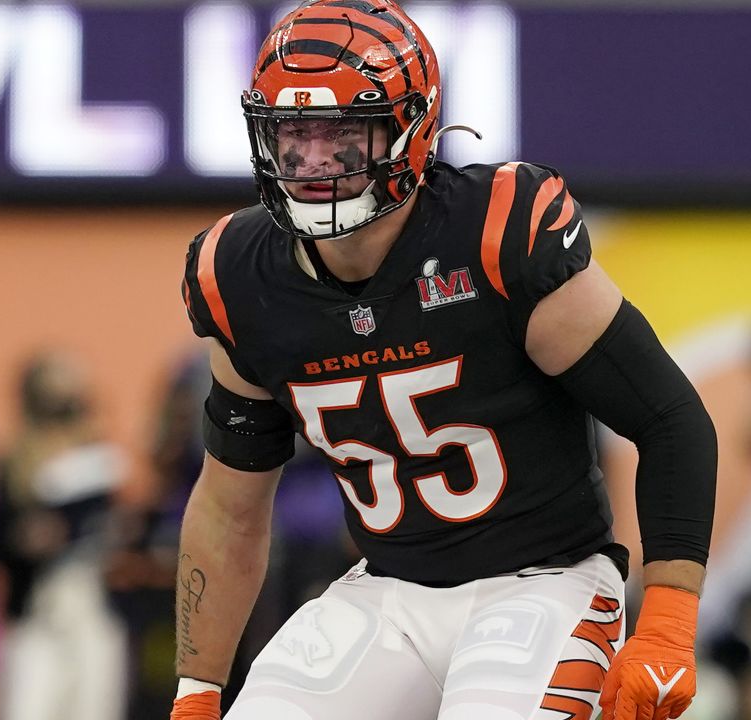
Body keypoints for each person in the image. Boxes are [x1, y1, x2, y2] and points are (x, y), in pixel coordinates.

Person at [172, 2, 718, 718]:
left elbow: (671, 418)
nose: (313, 164)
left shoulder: (496, 236)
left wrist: (670, 622)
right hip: (387, 587)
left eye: (343, 137)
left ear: (411, 130)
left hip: (541, 581)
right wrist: (197, 690)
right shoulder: (237, 275)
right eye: (294, 136)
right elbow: (227, 505)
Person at [0, 350, 128, 720]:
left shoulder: (99, 459)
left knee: (93, 707)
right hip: (36, 616)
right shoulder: (13, 463)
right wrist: (23, 539)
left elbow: (113, 527)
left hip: (93, 612)